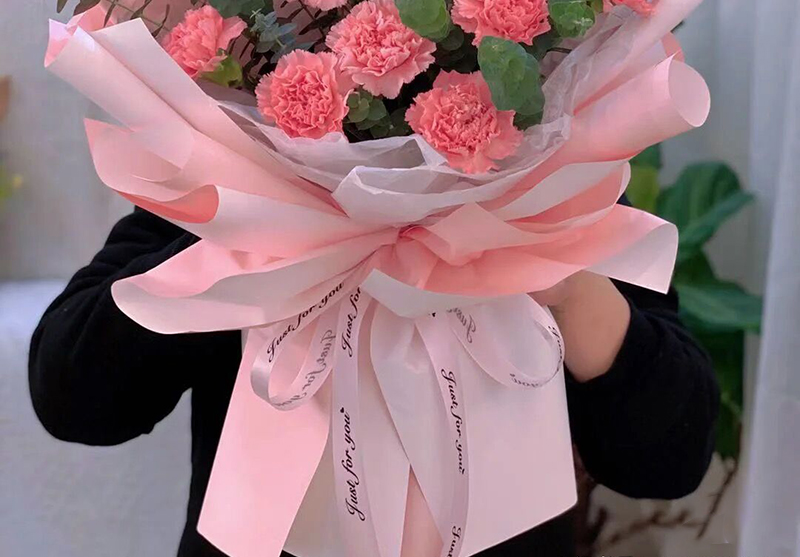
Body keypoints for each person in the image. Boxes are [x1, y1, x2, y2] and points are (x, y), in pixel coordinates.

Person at [28, 206, 719, 557]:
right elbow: (72, 396)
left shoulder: (561, 182)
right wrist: (250, 231)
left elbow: (671, 457)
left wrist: (563, 278)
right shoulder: (228, 171)